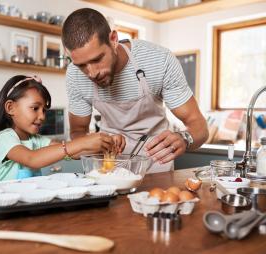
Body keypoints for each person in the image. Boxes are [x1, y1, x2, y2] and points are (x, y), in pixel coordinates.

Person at [61, 8, 209, 173]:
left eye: (97, 59)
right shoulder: (74, 75)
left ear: (113, 39)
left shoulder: (159, 60)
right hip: (108, 169)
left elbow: (200, 127)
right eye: (81, 65)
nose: (92, 73)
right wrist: (95, 144)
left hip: (156, 165)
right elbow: (77, 132)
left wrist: (185, 138)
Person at [0, 75, 121, 181]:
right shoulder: (4, 138)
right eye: (35, 108)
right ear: (10, 107)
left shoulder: (35, 140)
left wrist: (104, 143)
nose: (42, 116)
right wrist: (82, 142)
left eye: (44, 110)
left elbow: (74, 153)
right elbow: (32, 159)